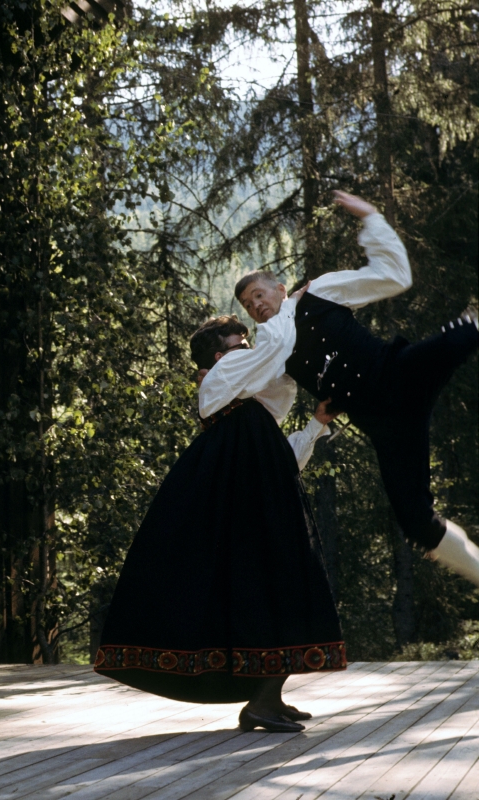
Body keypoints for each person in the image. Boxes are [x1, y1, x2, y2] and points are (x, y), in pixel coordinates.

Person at [94, 307, 347, 733]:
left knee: (283, 591)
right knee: (268, 594)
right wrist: (286, 306)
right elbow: (273, 352)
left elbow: (281, 458)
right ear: (218, 359)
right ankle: (261, 704)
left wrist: (316, 425)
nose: (247, 350)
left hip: (261, 508)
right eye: (239, 346)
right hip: (240, 516)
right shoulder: (220, 380)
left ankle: (269, 698)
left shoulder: (248, 403)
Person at [227, 190, 479, 585]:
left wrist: (372, 218)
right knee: (417, 523)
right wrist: (312, 421)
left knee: (465, 335)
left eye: (259, 294)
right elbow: (263, 397)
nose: (256, 305)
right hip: (385, 425)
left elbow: (393, 276)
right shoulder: (271, 351)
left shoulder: (318, 293)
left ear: (279, 289)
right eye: (247, 304)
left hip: (399, 373)